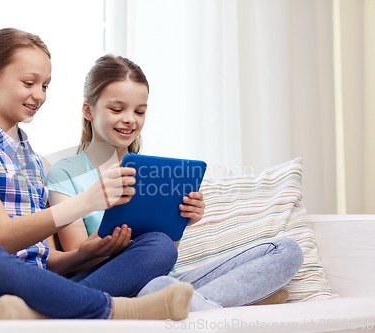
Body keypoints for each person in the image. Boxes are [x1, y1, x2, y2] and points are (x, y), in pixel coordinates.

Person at [0, 28, 194, 320]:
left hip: (40, 288)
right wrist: (86, 202)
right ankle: (115, 309)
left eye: (45, 86)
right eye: (29, 82)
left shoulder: (34, 162)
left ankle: (39, 316)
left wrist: (86, 253)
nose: (39, 95)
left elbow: (47, 262)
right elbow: (1, 237)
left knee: (159, 246)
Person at [46, 54, 304, 311]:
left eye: (139, 111)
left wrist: (181, 220)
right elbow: (76, 257)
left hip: (160, 282)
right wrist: (106, 243)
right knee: (158, 249)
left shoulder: (153, 172)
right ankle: (208, 305)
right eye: (117, 109)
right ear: (88, 110)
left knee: (286, 250)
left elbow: (169, 253)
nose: (130, 119)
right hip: (104, 280)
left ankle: (185, 304)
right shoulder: (64, 173)